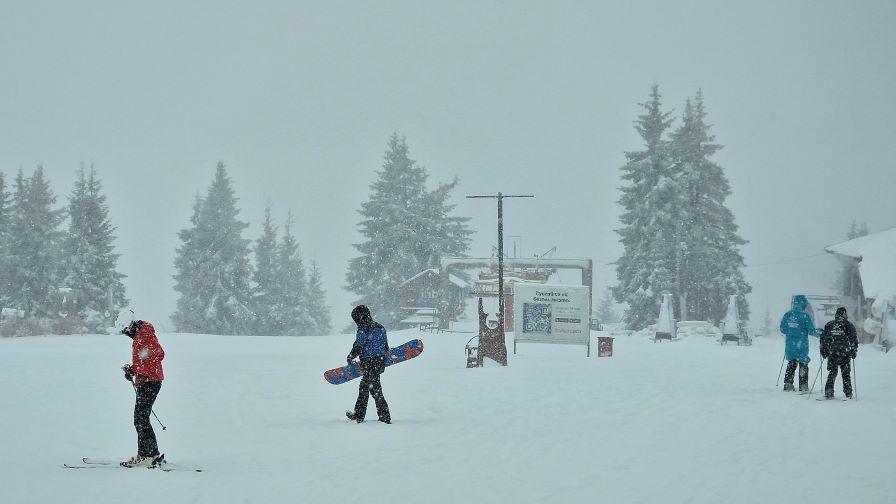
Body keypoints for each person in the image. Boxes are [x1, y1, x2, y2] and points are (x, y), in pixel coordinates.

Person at [119, 319, 166, 467]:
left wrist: (136, 371)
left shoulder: (143, 336)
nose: (128, 336)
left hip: (149, 382)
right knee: (142, 418)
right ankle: (152, 454)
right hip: (149, 381)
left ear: (131, 328)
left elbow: (155, 356)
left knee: (140, 419)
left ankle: (146, 455)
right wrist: (132, 370)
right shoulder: (143, 335)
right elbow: (144, 360)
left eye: (127, 332)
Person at [345, 305, 391, 424]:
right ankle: (362, 415)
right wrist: (382, 358)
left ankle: (382, 416)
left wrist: (350, 356)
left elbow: (359, 345)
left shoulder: (363, 328)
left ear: (359, 316)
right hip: (379, 361)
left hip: (369, 362)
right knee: (368, 388)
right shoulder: (380, 327)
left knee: (373, 389)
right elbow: (386, 346)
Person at [779, 295, 818, 392]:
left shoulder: (787, 315)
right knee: (803, 364)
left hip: (790, 345)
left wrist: (791, 332)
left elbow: (782, 329)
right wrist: (820, 333)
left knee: (791, 363)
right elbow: (811, 331)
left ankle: (788, 384)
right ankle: (803, 385)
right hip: (802, 345)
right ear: (803, 304)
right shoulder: (804, 316)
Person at [820, 307, 858, 399]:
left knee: (832, 372)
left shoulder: (829, 324)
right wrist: (853, 350)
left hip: (832, 353)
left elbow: (823, 339)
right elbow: (853, 339)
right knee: (845, 373)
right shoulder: (848, 325)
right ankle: (848, 393)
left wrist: (824, 350)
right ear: (844, 314)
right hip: (845, 353)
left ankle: (829, 391)